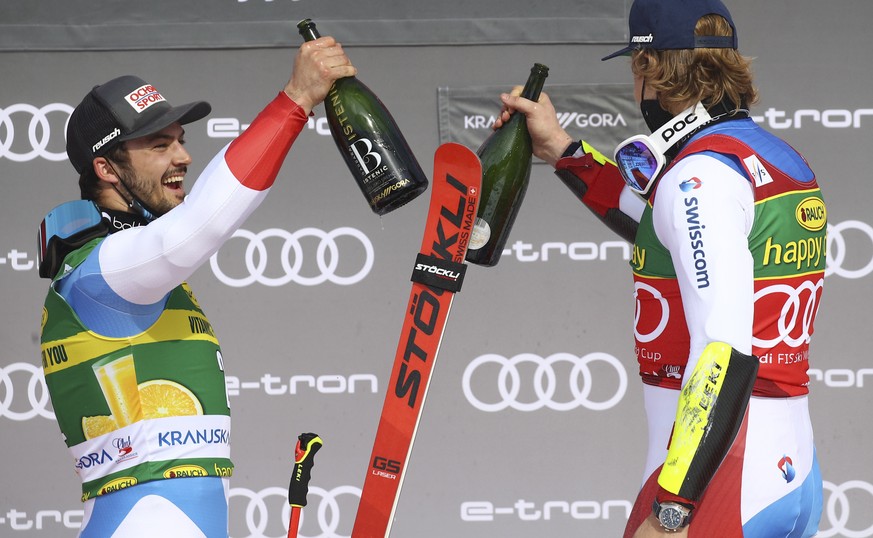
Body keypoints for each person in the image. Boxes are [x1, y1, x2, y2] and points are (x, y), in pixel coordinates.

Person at [494, 0, 825, 536]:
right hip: (790, 469)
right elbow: (657, 227)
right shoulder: (766, 156)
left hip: (720, 479)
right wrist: (560, 147)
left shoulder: (697, 177)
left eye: (635, 69)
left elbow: (723, 351)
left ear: (650, 71)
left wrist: (672, 511)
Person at [37, 36, 355, 537]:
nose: (183, 156)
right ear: (105, 168)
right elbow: (195, 229)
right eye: (160, 146)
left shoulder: (128, 269)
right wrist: (296, 100)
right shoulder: (95, 274)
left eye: (181, 139)